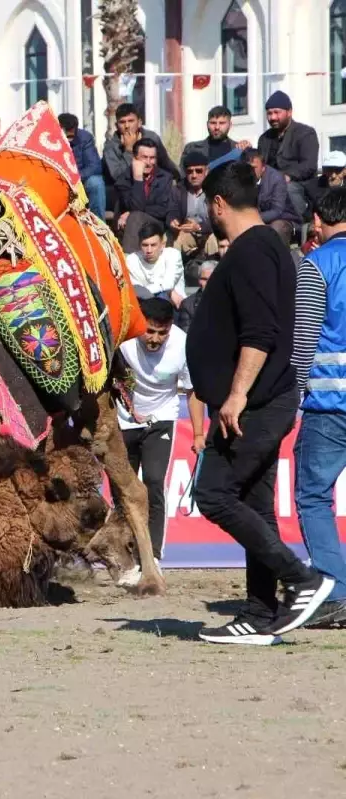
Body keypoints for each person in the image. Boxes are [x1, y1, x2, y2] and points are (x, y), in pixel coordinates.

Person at [187, 161, 334, 645]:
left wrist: (236, 395)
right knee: (255, 504)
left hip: (255, 402)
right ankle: (259, 613)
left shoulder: (252, 250)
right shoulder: (267, 246)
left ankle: (302, 579)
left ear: (218, 203)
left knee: (213, 494)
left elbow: (260, 332)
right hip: (263, 398)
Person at [290, 186, 346, 627]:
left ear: (317, 221)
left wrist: (290, 394)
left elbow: (304, 340)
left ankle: (336, 591)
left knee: (312, 496)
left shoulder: (316, 265)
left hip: (330, 404)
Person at [114, 299, 194, 587]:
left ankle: (153, 556)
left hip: (161, 418)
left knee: (154, 483)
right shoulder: (122, 340)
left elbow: (191, 391)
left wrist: (199, 435)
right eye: (149, 331)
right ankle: (126, 559)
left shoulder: (183, 345)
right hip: (123, 420)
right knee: (122, 489)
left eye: (162, 333)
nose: (155, 339)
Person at [257, 91, 319, 221]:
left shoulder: (305, 133)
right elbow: (260, 165)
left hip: (299, 185)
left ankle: (298, 223)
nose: (273, 117)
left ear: (289, 112)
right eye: (269, 113)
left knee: (288, 188)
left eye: (277, 112)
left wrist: (287, 176)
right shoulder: (264, 138)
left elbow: (309, 166)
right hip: (270, 185)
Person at [103, 103, 180, 204]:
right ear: (116, 125)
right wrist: (129, 151)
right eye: (122, 122)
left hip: (153, 186)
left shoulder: (151, 137)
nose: (127, 126)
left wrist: (181, 177)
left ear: (139, 122)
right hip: (125, 192)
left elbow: (165, 162)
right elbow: (118, 177)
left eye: (131, 121)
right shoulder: (111, 147)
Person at [115, 139, 176, 253]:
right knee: (135, 217)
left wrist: (130, 213)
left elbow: (162, 210)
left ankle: (129, 259)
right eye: (144, 157)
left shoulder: (165, 178)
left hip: (156, 223)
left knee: (135, 216)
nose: (148, 162)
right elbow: (135, 206)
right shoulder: (124, 180)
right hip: (130, 225)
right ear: (135, 158)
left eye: (152, 158)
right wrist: (138, 179)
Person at [167, 152, 219, 264]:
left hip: (211, 232)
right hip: (187, 232)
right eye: (190, 171)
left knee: (214, 241)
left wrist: (199, 227)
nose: (194, 175)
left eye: (198, 171)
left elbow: (219, 219)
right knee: (176, 242)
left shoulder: (215, 189)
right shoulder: (178, 190)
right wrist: (173, 220)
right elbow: (172, 210)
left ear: (206, 171)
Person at [243, 147, 301, 244]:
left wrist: (253, 219)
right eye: (247, 168)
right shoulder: (240, 179)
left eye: (254, 168)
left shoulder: (276, 179)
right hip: (254, 219)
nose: (250, 171)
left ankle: (279, 254)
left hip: (283, 219)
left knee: (276, 228)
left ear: (263, 167)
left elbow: (277, 211)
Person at [125, 220, 185, 307]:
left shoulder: (173, 255)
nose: (149, 250)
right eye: (145, 245)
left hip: (174, 306)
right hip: (144, 304)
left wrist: (167, 290)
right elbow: (135, 290)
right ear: (139, 245)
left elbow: (168, 283)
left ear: (162, 244)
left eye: (153, 245)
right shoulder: (131, 260)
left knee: (163, 295)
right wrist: (169, 291)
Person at [59, 113, 104, 219]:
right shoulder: (47, 138)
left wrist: (75, 178)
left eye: (71, 137)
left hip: (80, 180)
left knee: (96, 183)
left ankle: (98, 222)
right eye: (66, 136)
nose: (68, 140)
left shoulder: (85, 138)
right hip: (59, 180)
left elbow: (94, 166)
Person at [180, 106, 250, 171]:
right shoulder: (192, 149)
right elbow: (182, 176)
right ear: (207, 124)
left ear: (230, 125)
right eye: (213, 123)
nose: (217, 127)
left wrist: (247, 149)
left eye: (222, 123)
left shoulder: (239, 149)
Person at [175, 260, 215, 333]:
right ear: (199, 280)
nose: (208, 283)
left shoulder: (231, 301)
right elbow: (186, 333)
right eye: (204, 279)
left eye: (213, 279)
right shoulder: (187, 305)